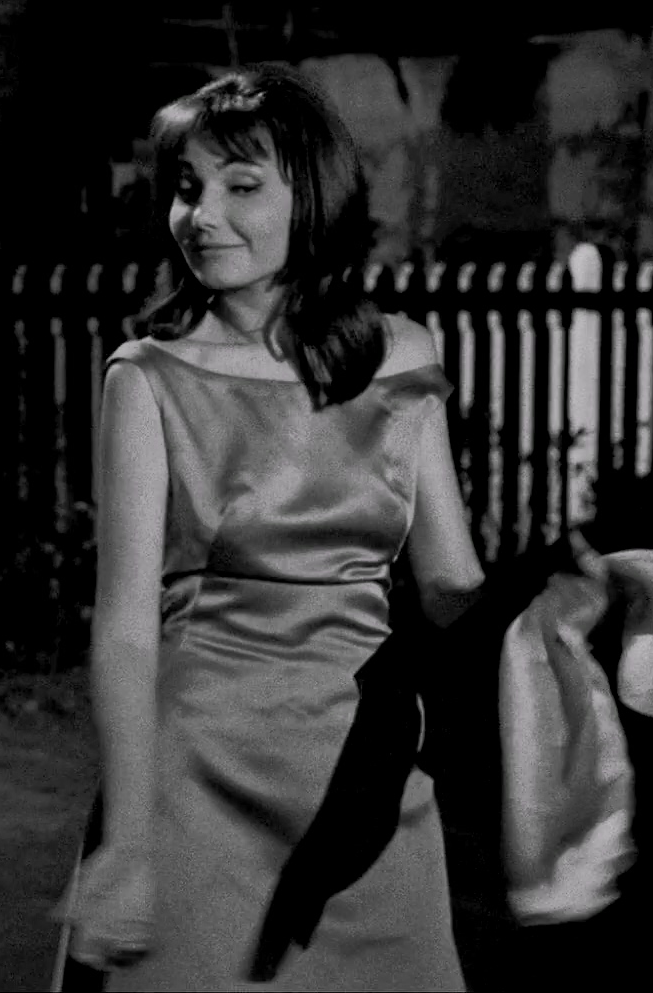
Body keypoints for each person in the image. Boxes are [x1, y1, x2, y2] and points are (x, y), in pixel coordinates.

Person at [58, 64, 486, 990]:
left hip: (366, 772)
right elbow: (125, 628)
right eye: (187, 188)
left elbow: (451, 585)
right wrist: (128, 841)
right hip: (201, 778)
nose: (201, 215)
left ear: (313, 198)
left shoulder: (404, 356)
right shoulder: (149, 377)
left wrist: (560, 602)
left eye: (241, 186)